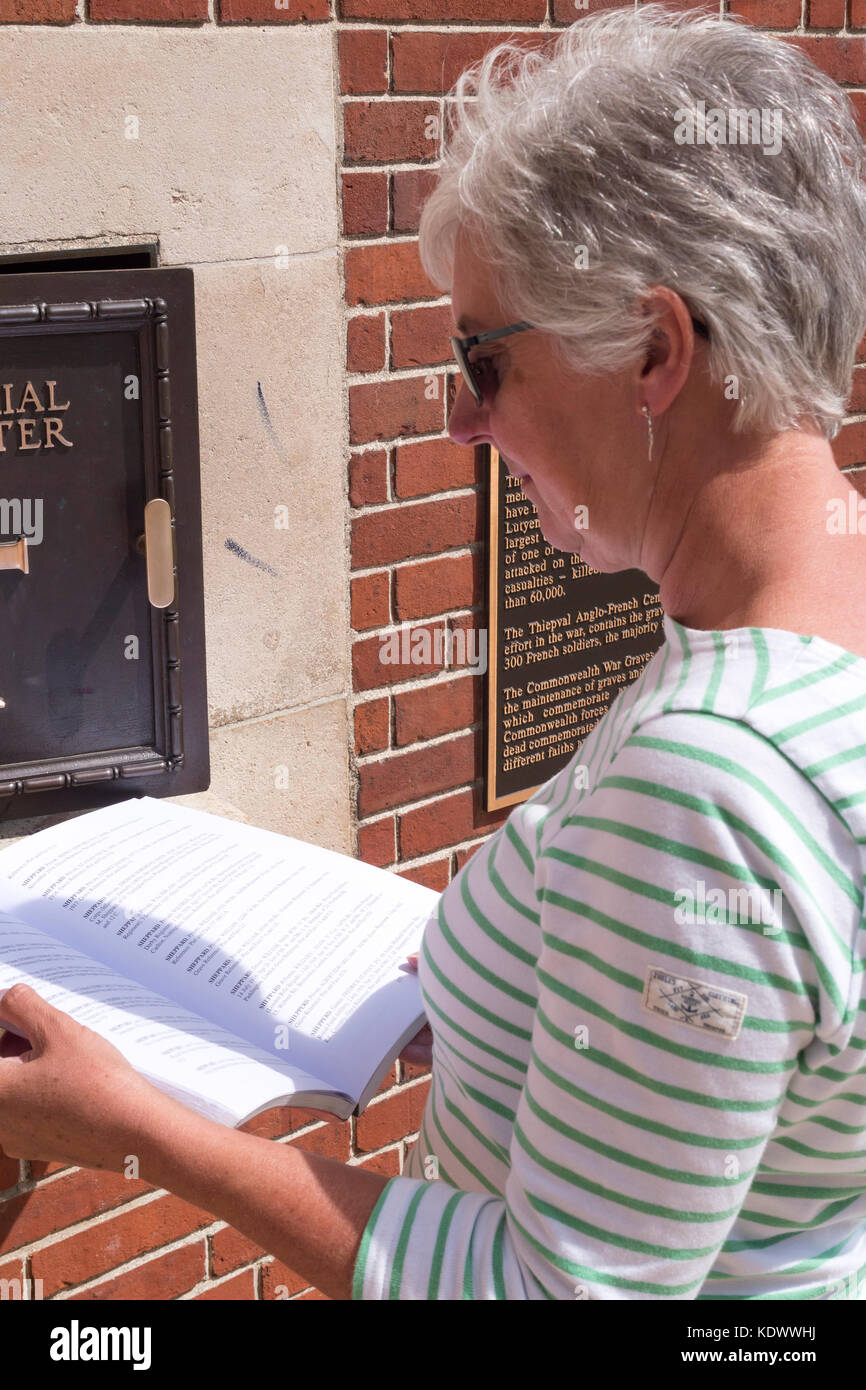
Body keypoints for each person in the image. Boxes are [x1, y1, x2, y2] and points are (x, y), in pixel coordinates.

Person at [2, 3, 866, 1300]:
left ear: (652, 348)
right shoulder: (788, 641)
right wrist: (506, 983)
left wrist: (135, 1125)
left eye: (483, 355)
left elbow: (548, 1292)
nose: (459, 418)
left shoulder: (700, 791)